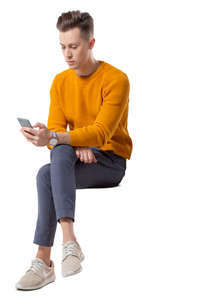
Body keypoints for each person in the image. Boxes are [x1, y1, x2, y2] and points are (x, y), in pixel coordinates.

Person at [16, 10, 133, 291]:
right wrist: (51, 137)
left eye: (74, 46)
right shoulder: (60, 82)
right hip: (76, 156)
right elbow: (57, 131)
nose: (67, 54)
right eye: (63, 47)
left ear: (90, 43)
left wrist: (61, 138)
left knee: (54, 157)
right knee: (50, 166)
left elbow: (102, 132)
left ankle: (53, 255)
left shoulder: (117, 80)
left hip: (109, 160)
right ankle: (60, 249)